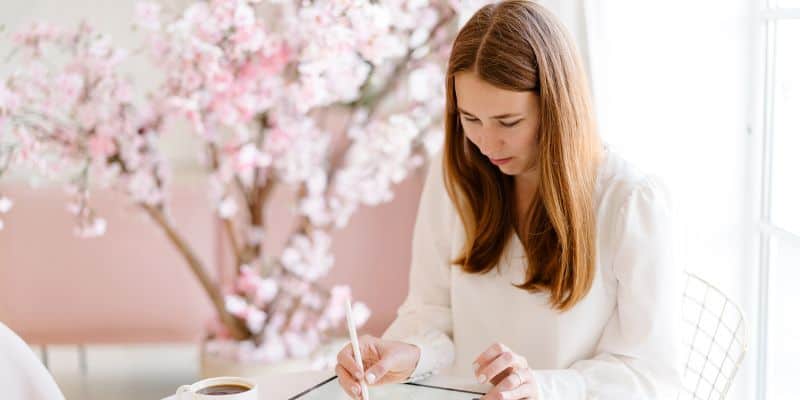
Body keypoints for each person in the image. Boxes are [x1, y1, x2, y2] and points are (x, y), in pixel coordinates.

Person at [335, 1, 682, 399]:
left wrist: (543, 388)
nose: (486, 142)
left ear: (557, 107)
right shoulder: (455, 176)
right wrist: (408, 353)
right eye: (470, 119)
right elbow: (430, 311)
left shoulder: (631, 203)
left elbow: (650, 378)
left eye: (509, 122)